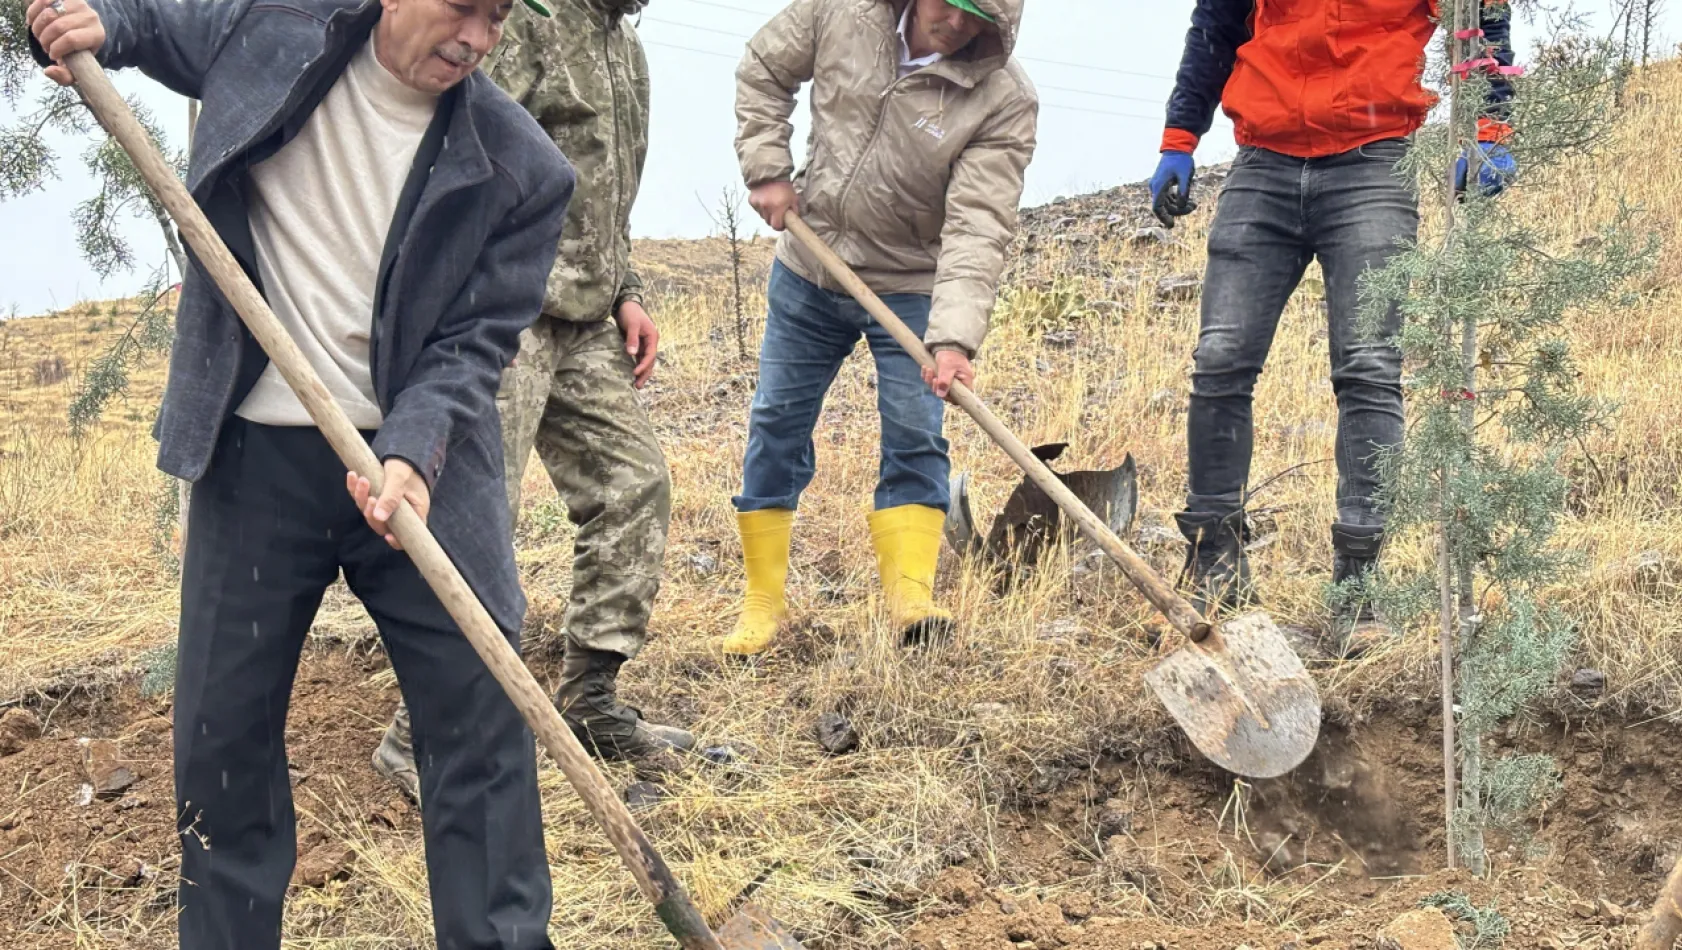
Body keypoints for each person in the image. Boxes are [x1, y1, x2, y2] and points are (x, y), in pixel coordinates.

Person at [27, 0, 571, 945]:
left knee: (481, 729)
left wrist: (413, 447)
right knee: (223, 740)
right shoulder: (273, 28)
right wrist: (100, 23)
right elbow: (157, 22)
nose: (477, 40)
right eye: (463, 9)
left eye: (497, 18)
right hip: (255, 458)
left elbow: (476, 341)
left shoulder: (522, 167)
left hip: (421, 471)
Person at [371, 0, 692, 803]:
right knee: (472, 520)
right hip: (502, 312)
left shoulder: (628, 53)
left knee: (635, 486)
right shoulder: (531, 24)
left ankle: (590, 698)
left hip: (585, 321)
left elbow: (606, 197)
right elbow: (452, 160)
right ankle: (422, 731)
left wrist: (628, 290)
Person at [1149, 0, 1517, 654]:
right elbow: (1216, 27)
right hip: (1262, 164)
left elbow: (1482, 21)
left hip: (1374, 166)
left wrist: (1492, 130)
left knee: (1369, 367)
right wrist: (1180, 139)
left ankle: (1359, 587)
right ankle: (1215, 567)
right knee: (1220, 360)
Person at [725, 0, 1036, 658]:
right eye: (948, 3)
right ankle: (763, 604)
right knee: (777, 421)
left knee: (916, 431)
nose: (955, 23)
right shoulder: (841, 11)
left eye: (977, 14)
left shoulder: (1003, 99)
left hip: (913, 286)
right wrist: (768, 167)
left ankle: (909, 600)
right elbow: (761, 67)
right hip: (811, 267)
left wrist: (952, 337)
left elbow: (978, 225)